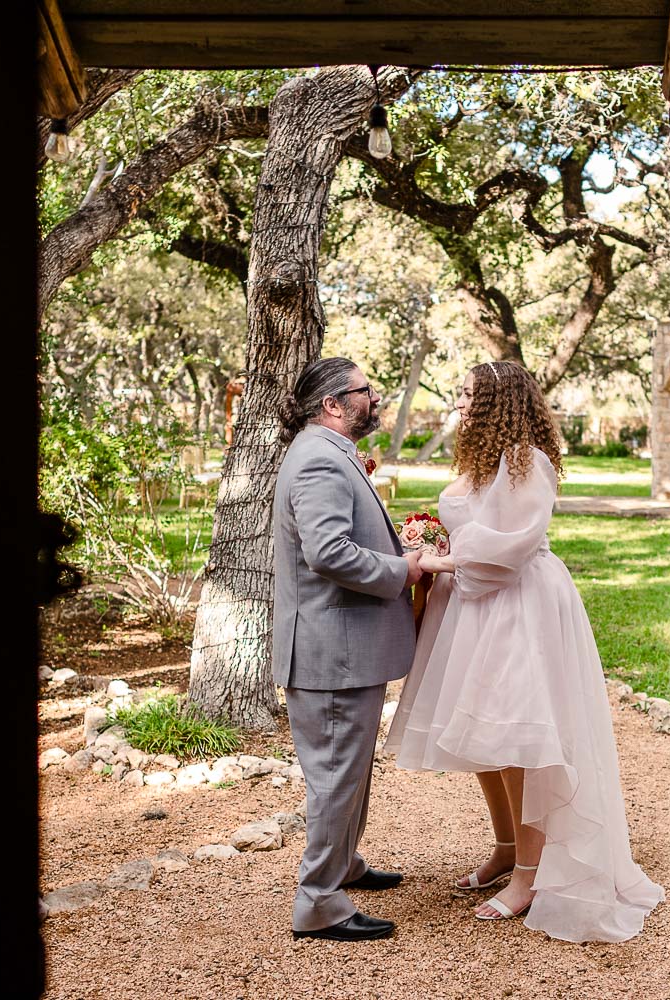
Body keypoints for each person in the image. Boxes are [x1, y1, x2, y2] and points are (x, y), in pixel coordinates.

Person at [384, 360, 663, 942]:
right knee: (483, 739)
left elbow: (514, 542)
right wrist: (430, 540)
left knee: (516, 739)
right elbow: (471, 523)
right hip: (470, 609)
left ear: (496, 401)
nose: (457, 400)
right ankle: (508, 848)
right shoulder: (480, 459)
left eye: (465, 392)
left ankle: (531, 877)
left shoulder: (526, 461)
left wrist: (445, 555)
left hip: (516, 608)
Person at [272, 356, 425, 942]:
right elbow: (329, 553)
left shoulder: (326, 452)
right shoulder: (318, 459)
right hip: (330, 650)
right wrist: (404, 569)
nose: (375, 397)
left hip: (338, 646)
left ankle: (344, 865)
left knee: (349, 770)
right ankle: (318, 901)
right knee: (337, 774)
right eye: (366, 391)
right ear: (334, 405)